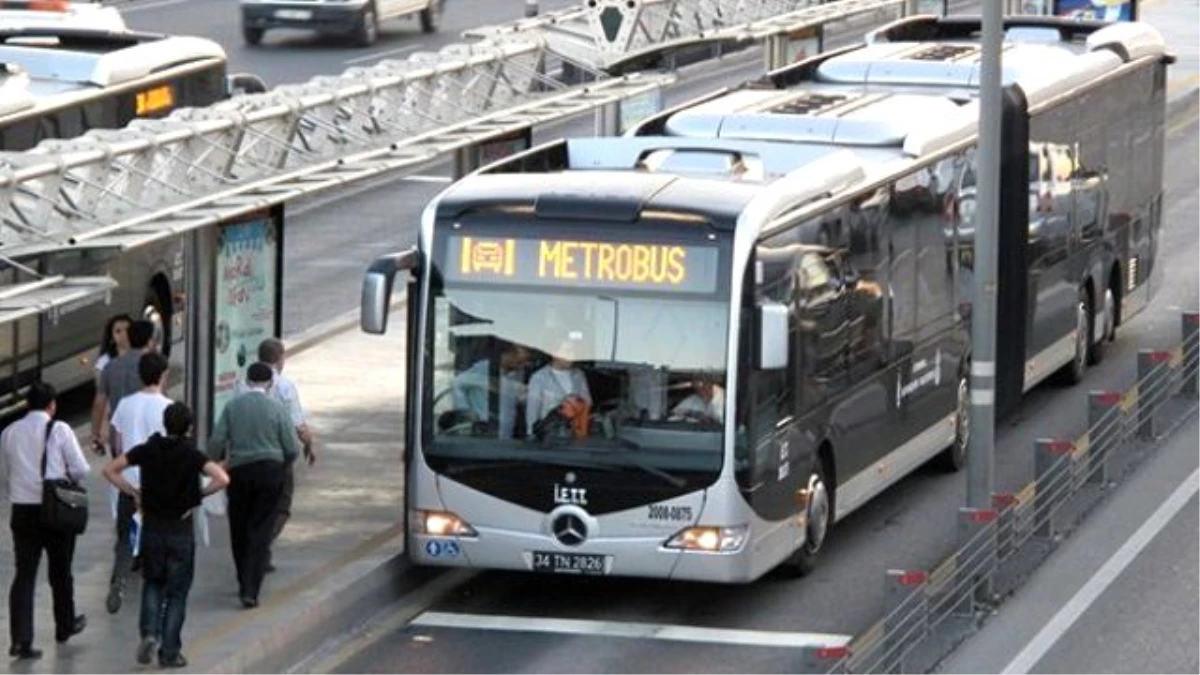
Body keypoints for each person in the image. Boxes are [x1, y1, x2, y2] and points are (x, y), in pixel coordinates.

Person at [103, 402, 229, 669]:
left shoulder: (148, 450)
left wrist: (133, 492)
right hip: (180, 532)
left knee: (153, 583)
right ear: (189, 428)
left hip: (153, 530)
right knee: (177, 593)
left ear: (165, 423)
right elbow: (222, 478)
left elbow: (110, 470)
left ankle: (149, 633)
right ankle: (169, 652)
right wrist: (198, 497)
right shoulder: (191, 454)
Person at [0, 382, 88, 660]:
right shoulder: (59, 430)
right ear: (52, 405)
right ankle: (65, 624)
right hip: (55, 510)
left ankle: (20, 640)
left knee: (24, 575)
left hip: (23, 511)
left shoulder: (9, 433)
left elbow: (4, 475)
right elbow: (81, 469)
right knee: (60, 571)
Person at [208, 362, 299, 609]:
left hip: (240, 472)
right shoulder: (277, 408)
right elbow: (291, 447)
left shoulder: (233, 407)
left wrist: (213, 461)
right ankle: (252, 589)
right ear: (270, 383)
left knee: (239, 527)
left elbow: (217, 440)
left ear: (246, 382)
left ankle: (242, 579)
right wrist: (282, 466)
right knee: (261, 528)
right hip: (270, 472)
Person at [235, 337, 315, 573]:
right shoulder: (284, 386)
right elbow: (297, 424)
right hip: (276, 456)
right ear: (280, 358)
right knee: (281, 505)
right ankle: (260, 543)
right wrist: (308, 445)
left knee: (251, 504)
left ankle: (260, 549)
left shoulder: (241, 384)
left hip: (244, 454)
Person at [105, 350, 174, 614]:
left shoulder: (125, 404)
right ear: (163, 375)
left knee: (125, 537)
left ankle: (118, 581)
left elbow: (117, 442)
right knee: (156, 541)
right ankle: (154, 593)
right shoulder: (167, 407)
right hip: (156, 487)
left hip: (129, 484)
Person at [526, 340, 592, 439]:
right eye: (567, 351)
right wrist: (531, 434)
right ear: (554, 353)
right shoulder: (539, 378)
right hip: (549, 438)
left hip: (575, 436)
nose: (572, 356)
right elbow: (532, 411)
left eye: (573, 352)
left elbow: (588, 402)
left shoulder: (578, 375)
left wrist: (575, 402)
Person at [89, 313, 133, 456]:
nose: (123, 335)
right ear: (111, 336)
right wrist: (98, 433)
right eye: (118, 331)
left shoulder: (143, 357)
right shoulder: (105, 363)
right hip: (118, 424)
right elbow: (101, 400)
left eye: (127, 330)